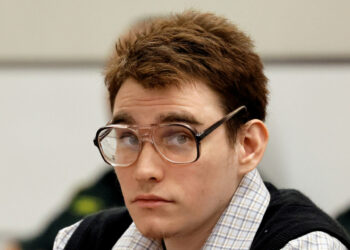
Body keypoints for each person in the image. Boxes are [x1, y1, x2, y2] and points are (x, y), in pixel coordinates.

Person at [53, 10, 350, 250]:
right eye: (128, 137)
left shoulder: (304, 246)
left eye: (179, 136)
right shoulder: (82, 241)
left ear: (248, 145)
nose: (144, 170)